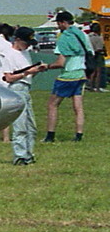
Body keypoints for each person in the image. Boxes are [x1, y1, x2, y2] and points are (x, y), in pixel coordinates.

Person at [0, 26, 45, 164]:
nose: (27, 46)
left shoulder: (26, 54)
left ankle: (29, 154)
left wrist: (37, 70)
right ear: (17, 40)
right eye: (25, 43)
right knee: (20, 126)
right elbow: (8, 77)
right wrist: (27, 73)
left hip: (26, 88)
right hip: (16, 89)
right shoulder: (9, 55)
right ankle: (20, 156)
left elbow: (28, 74)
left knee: (31, 126)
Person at [44, 11, 90, 142]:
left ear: (63, 23)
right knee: (78, 107)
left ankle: (50, 135)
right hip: (81, 74)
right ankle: (78, 135)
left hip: (67, 76)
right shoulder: (82, 35)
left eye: (58, 23)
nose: (58, 26)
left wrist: (47, 66)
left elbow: (60, 63)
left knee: (52, 105)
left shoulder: (64, 38)